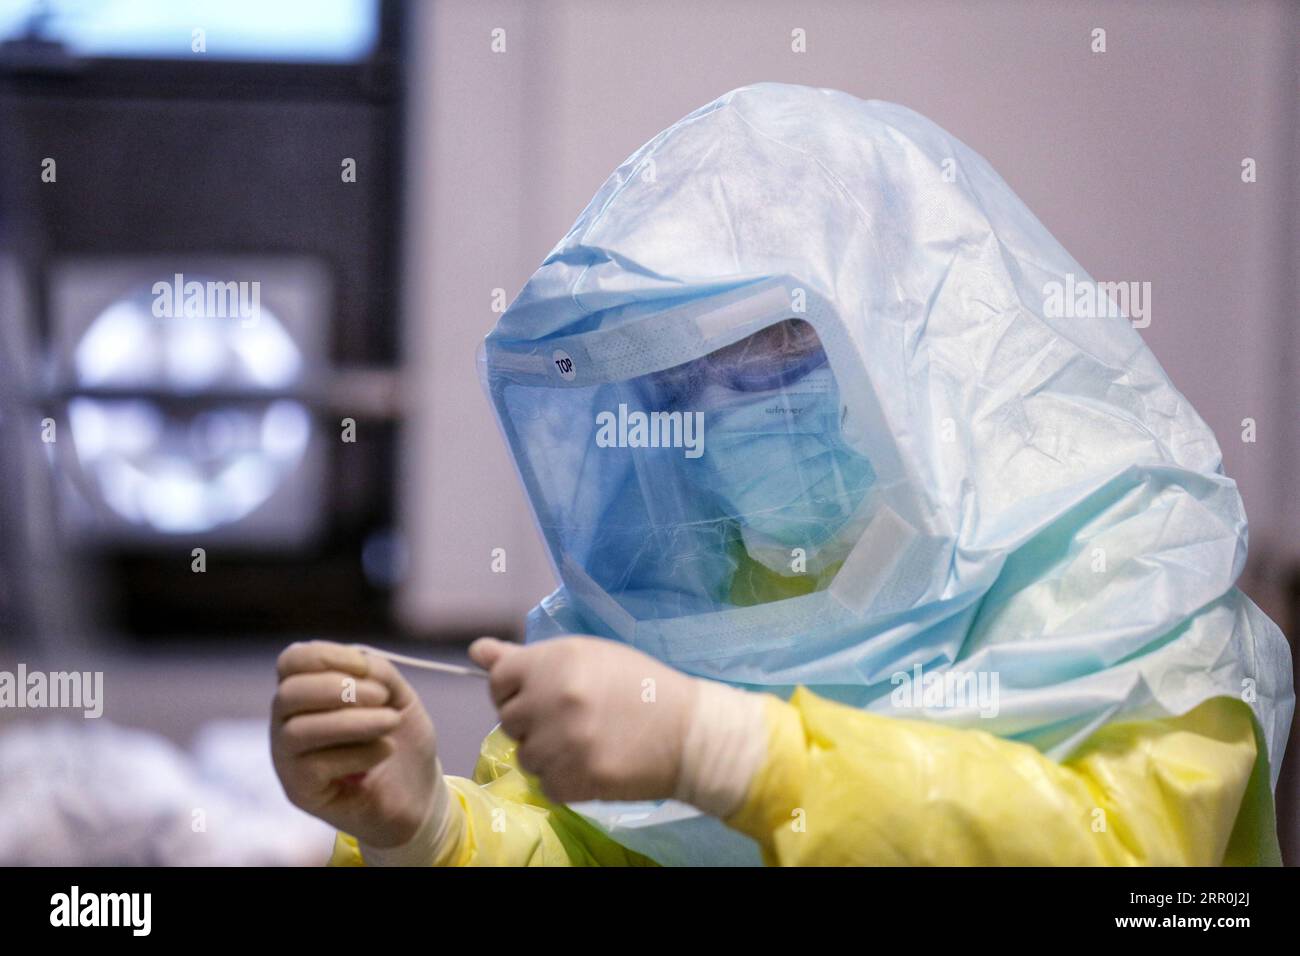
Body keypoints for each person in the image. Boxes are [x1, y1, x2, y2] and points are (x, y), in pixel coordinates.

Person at [272, 84, 1293, 866]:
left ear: (905, 332)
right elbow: (609, 850)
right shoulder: (691, 597)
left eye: (771, 353)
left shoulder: (1124, 563)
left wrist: (741, 755)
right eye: (683, 386)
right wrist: (432, 828)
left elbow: (1141, 863)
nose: (724, 418)